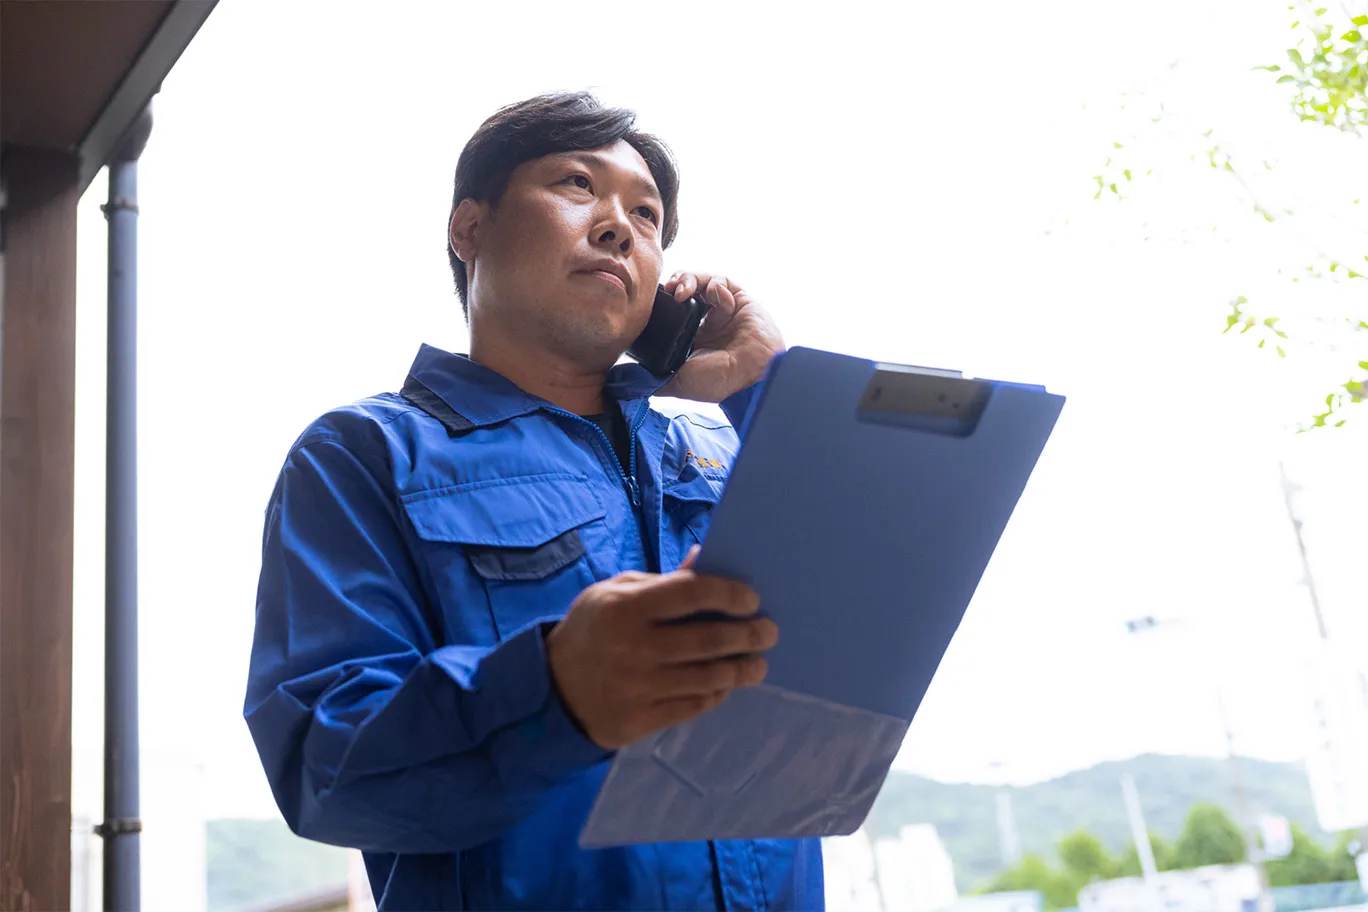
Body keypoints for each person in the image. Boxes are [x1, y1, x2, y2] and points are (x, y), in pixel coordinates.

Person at [244, 91, 824, 911]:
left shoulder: (731, 451)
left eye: (649, 215)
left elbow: (864, 640)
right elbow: (323, 769)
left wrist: (764, 387)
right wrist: (552, 692)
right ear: (469, 229)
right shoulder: (365, 454)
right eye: (578, 186)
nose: (622, 225)